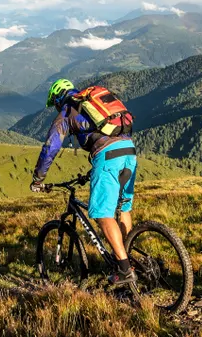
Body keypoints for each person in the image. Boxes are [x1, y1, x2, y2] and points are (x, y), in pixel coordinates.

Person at [30, 78, 138, 287]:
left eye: (55, 104)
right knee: (123, 207)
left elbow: (50, 147)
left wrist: (38, 179)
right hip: (129, 150)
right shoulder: (91, 99)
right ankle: (127, 255)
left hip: (107, 154)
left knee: (102, 213)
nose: (56, 108)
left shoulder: (67, 111)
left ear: (58, 98)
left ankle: (124, 269)